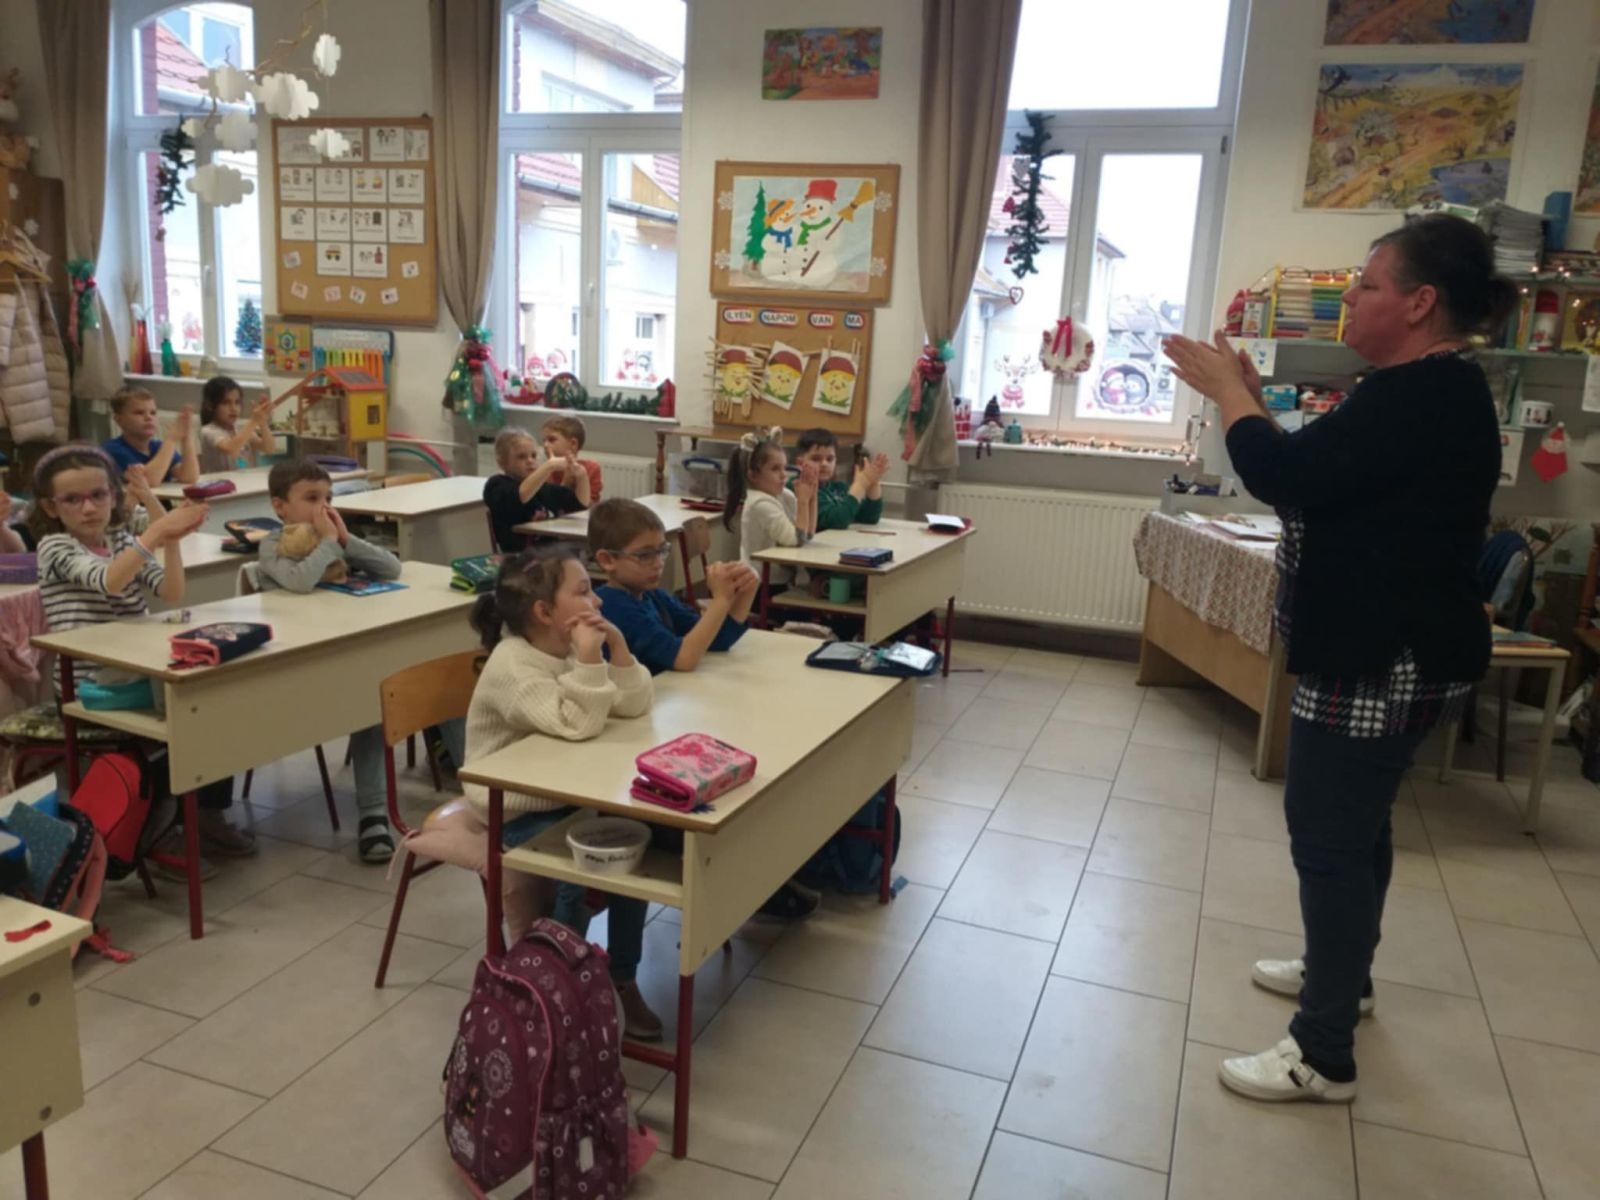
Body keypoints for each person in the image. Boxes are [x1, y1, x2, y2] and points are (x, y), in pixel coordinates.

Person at [1163, 213, 1509, 1103]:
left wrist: (1228, 396)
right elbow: (1319, 469)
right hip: (1388, 647)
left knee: (1329, 841)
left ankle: (1322, 1053)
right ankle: (1341, 981)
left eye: (1367, 283)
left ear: (1420, 303)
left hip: (1378, 657)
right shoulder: (1422, 389)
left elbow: (1284, 478)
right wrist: (1251, 400)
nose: (1349, 297)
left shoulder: (1419, 393)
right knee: (1358, 830)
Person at [463, 546, 664, 1039]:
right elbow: (578, 723)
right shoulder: (515, 666)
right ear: (544, 611)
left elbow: (633, 705)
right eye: (584, 591)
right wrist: (592, 659)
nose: (597, 601)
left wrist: (617, 648)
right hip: (513, 805)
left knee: (634, 847)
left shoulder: (568, 648)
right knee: (586, 867)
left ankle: (620, 977)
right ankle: (562, 982)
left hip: (567, 791)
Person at [31, 445, 246, 865]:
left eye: (98, 495)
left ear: (113, 496)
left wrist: (172, 541)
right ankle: (155, 835)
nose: (88, 508)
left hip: (135, 674)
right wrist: (158, 531)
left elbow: (171, 591)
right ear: (50, 507)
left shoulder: (120, 539)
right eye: (72, 499)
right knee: (183, 728)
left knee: (214, 713)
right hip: (87, 687)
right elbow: (110, 580)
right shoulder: (55, 547)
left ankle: (205, 815)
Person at [254, 458, 412, 862]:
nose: (322, 508)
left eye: (327, 498)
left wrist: (344, 539)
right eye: (311, 499)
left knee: (376, 700)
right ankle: (375, 810)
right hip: (294, 664)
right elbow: (299, 582)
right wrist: (327, 543)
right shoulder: (272, 545)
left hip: (340, 649)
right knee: (368, 698)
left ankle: (375, 813)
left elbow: (392, 567)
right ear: (279, 506)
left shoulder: (331, 538)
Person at [590, 498, 757, 674]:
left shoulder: (654, 596)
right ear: (607, 560)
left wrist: (747, 589)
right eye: (645, 555)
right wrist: (721, 600)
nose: (658, 563)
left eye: (662, 551)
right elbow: (683, 659)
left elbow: (718, 639)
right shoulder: (611, 607)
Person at [723, 429, 817, 588]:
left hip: (779, 581)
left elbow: (807, 534)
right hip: (760, 587)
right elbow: (797, 540)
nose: (783, 475)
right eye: (775, 469)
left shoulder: (783, 495)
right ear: (753, 476)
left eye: (784, 467)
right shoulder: (759, 504)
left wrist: (812, 496)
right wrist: (803, 501)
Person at [482, 428, 589, 553]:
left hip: (549, 554)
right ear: (502, 463)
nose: (530, 461)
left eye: (533, 455)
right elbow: (521, 495)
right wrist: (549, 466)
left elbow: (580, 503)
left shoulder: (542, 488)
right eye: (521, 457)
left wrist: (582, 475)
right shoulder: (497, 485)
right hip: (518, 557)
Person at [793, 428, 889, 531]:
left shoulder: (839, 487)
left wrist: (872, 482)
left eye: (830, 459)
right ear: (800, 463)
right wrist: (860, 484)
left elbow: (869, 517)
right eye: (816, 459)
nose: (824, 464)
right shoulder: (798, 488)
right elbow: (837, 521)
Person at [103, 386, 200, 485]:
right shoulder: (112, 450)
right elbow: (149, 481)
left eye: (153, 413)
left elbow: (189, 477)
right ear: (119, 420)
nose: (149, 417)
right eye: (139, 413)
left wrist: (186, 435)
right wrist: (171, 439)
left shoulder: (158, 446)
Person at [198, 375, 277, 473]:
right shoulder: (208, 431)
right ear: (211, 406)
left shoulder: (241, 428)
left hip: (245, 480)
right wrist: (253, 421)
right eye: (226, 403)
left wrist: (263, 422)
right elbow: (230, 448)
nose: (233, 408)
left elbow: (269, 448)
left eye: (237, 402)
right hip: (220, 482)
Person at [540, 415, 603, 505]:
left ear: (573, 444)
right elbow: (552, 507)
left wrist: (580, 480)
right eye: (544, 441)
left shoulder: (592, 468)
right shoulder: (546, 471)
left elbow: (589, 506)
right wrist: (566, 483)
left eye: (551, 440)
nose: (545, 445)